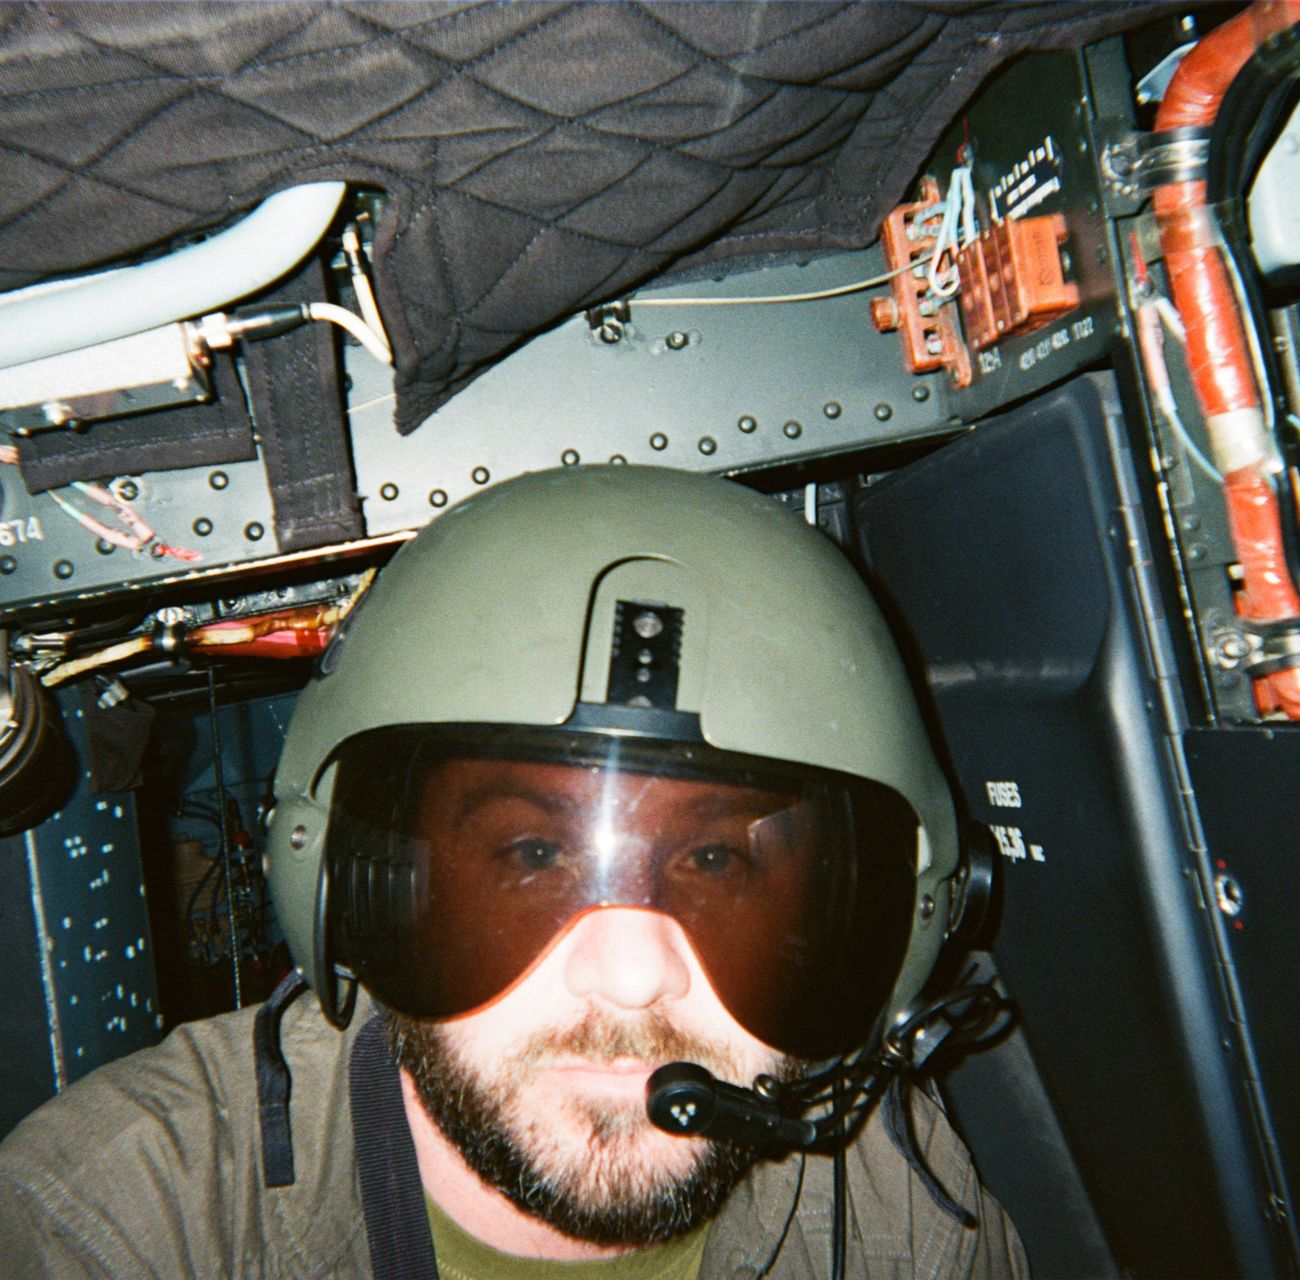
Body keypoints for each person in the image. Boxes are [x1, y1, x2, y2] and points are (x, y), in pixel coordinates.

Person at [0, 465, 1026, 1278]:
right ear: (335, 880)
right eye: (534, 855)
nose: (632, 974)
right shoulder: (122, 1220)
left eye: (713, 858)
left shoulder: (904, 1219)